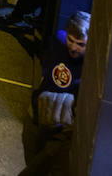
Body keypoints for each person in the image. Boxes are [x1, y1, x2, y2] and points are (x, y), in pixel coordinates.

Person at [22, 11, 90, 172]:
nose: (73, 47)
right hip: (36, 119)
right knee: (31, 161)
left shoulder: (91, 67)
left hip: (61, 134)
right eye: (71, 40)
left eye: (80, 44)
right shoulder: (57, 43)